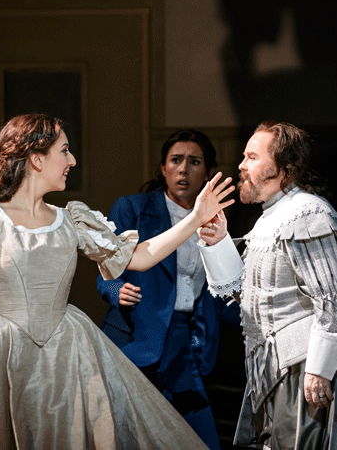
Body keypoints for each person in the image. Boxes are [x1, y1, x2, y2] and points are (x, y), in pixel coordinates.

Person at [0, 114, 235, 450]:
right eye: (64, 151)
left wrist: (194, 219)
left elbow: (139, 256)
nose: (72, 160)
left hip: (64, 355)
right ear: (36, 159)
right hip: (1, 355)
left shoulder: (71, 219)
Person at [197, 122, 337, 449]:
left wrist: (319, 371)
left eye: (252, 157)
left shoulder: (308, 213)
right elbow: (251, 296)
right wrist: (219, 242)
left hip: (304, 370)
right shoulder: (272, 217)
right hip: (276, 368)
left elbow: (336, 299)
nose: (241, 165)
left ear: (285, 171)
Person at [96, 129, 241, 450]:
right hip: (135, 334)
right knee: (126, 436)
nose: (183, 169)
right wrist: (116, 289)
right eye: (176, 160)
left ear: (207, 171)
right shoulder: (132, 208)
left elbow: (223, 287)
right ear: (163, 167)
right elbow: (105, 270)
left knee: (197, 439)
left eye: (194, 162)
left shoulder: (218, 220)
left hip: (188, 340)